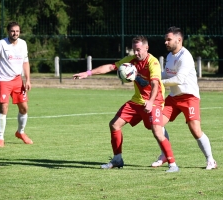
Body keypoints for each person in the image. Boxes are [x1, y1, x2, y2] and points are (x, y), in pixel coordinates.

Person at [73, 36, 179, 172]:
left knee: (157, 131)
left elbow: (155, 84)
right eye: (134, 50)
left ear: (146, 48)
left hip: (154, 102)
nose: (135, 53)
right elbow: (111, 66)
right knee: (114, 124)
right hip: (137, 101)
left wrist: (150, 102)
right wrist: (88, 73)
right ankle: (117, 159)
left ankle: (173, 164)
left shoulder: (153, 63)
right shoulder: (132, 61)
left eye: (138, 50)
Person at [151, 26, 217, 170]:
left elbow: (179, 79)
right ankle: (164, 155)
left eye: (169, 39)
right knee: (156, 123)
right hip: (174, 97)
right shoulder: (169, 56)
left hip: (189, 97)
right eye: (165, 40)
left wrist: (157, 82)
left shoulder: (185, 56)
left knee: (195, 130)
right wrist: (152, 76)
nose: (166, 42)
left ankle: (211, 160)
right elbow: (167, 75)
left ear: (179, 40)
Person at [0, 21, 33, 147]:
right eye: (13, 31)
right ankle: (0, 138)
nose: (15, 33)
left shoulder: (23, 44)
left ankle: (20, 132)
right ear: (8, 31)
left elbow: (25, 62)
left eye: (17, 31)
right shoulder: (1, 44)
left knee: (24, 108)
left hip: (18, 80)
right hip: (3, 80)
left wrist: (27, 79)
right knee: (4, 108)